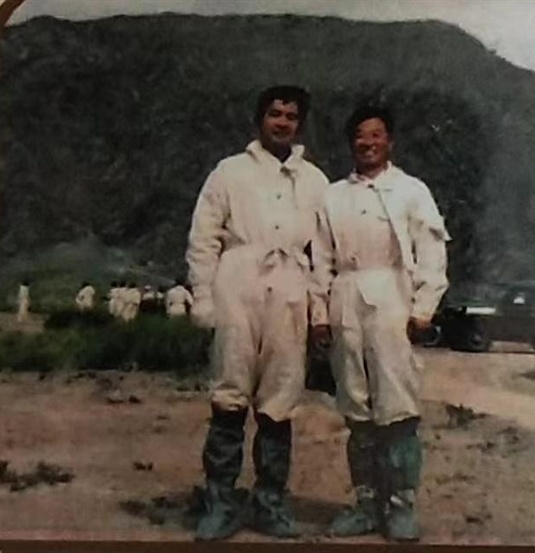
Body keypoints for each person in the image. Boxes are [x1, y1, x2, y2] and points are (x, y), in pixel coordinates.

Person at [186, 85, 329, 541]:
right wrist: (204, 296)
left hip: (290, 290)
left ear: (300, 125)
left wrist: (318, 308)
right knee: (229, 393)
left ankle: (269, 504)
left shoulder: (315, 181)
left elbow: (324, 252)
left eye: (291, 116)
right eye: (274, 114)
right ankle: (220, 503)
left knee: (279, 399)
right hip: (238, 285)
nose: (282, 122)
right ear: (259, 119)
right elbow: (203, 239)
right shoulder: (229, 172)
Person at [309, 104, 450, 542]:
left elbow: (432, 252)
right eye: (360, 136)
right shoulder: (333, 195)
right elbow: (321, 259)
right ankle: (366, 504)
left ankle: (401, 504)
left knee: (397, 405)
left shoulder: (411, 190)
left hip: (393, 297)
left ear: (390, 141)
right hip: (345, 299)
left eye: (376, 135)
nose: (367, 143)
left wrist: (423, 307)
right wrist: (319, 314)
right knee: (357, 405)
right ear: (350, 143)